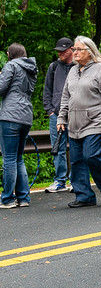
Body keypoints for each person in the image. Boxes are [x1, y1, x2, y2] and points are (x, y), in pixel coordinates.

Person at [57, 36, 101, 208]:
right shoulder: (73, 71)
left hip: (96, 122)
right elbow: (65, 97)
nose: (75, 52)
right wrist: (62, 118)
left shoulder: (100, 69)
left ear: (89, 52)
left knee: (91, 155)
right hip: (75, 124)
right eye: (74, 49)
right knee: (76, 161)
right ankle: (84, 196)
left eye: (78, 49)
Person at [0, 43, 37, 209]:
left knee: (9, 158)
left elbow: (1, 89)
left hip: (10, 115)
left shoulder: (11, 65)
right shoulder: (31, 69)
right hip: (26, 115)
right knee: (18, 158)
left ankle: (7, 198)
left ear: (11, 54)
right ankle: (23, 197)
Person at [43, 37, 75, 193]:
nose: (60, 53)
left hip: (75, 114)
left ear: (71, 49)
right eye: (58, 51)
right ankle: (59, 181)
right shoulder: (54, 67)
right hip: (56, 114)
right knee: (58, 149)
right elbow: (47, 90)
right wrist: (49, 110)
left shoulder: (79, 66)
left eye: (63, 50)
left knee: (76, 148)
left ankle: (76, 180)